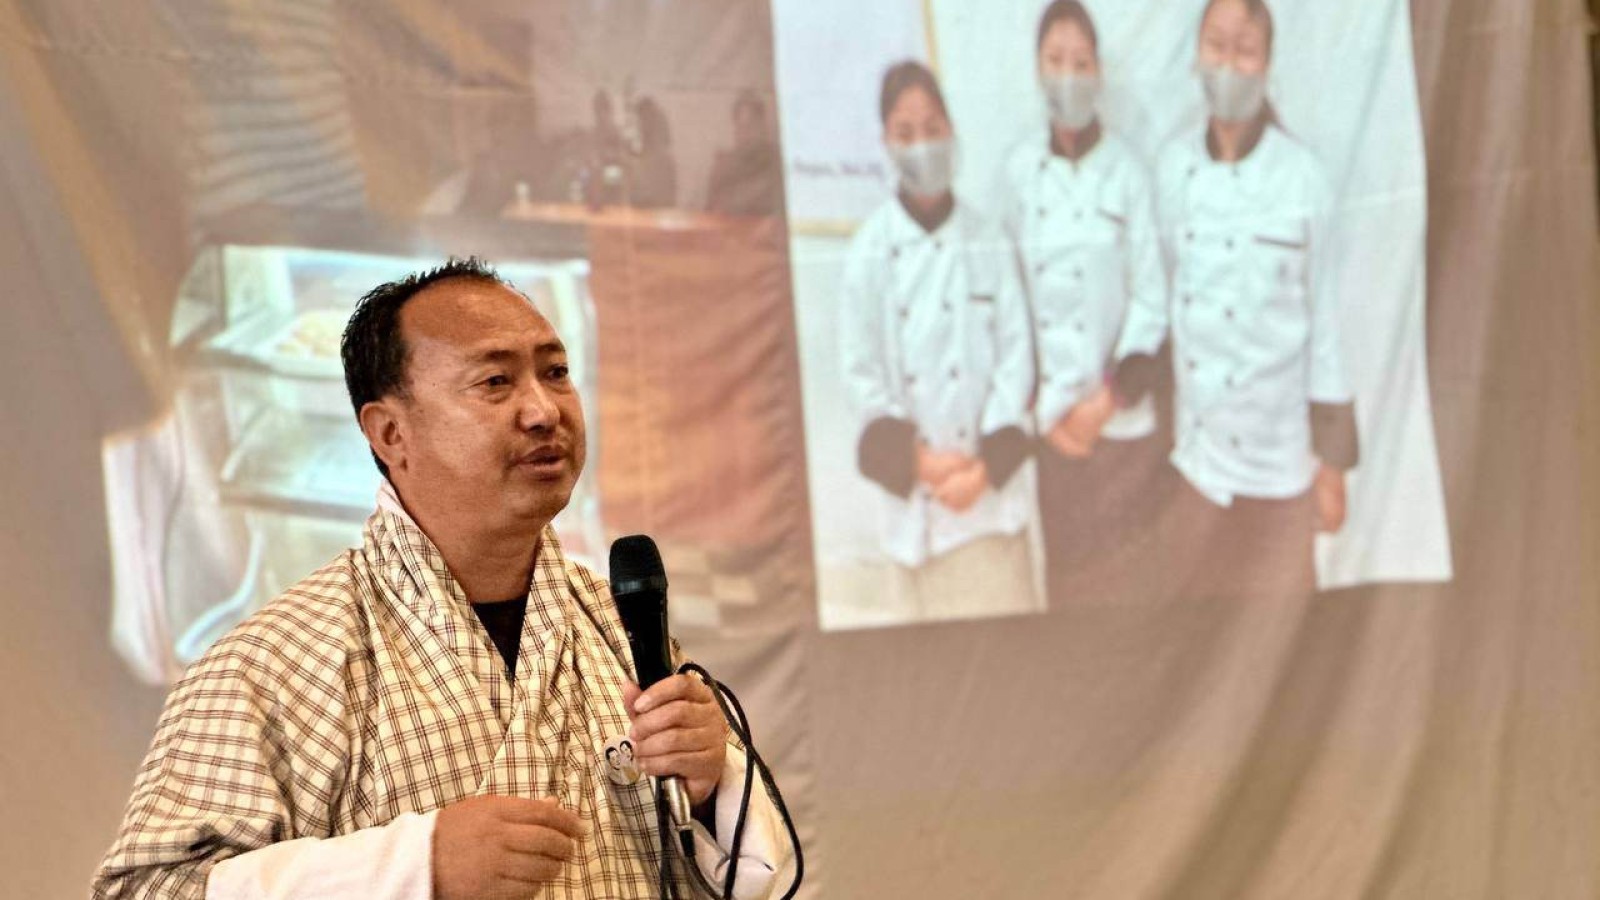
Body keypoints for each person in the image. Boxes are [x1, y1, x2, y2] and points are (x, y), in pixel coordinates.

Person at [92, 259, 789, 899]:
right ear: (390, 434)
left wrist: (711, 787)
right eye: (495, 382)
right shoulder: (274, 663)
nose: (544, 410)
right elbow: (146, 889)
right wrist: (414, 865)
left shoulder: (615, 626)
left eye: (555, 372)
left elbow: (742, 876)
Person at [1116, 0, 1359, 598]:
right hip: (1196, 468)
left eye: (1244, 50)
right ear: (1196, 57)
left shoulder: (1303, 177)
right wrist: (1121, 376)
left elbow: (1327, 327)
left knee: (1290, 633)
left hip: (1282, 470)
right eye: (1216, 46)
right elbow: (1155, 297)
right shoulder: (1172, 169)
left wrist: (1332, 466)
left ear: (1267, 65)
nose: (1228, 65)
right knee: (1197, 631)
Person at [838, 61, 1039, 623]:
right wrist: (922, 463)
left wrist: (982, 471)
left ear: (951, 129)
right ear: (885, 143)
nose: (922, 145)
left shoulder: (988, 240)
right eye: (905, 133)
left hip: (990, 513)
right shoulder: (868, 251)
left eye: (932, 127)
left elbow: (1017, 359)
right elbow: (861, 375)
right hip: (914, 521)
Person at [996, 0, 1174, 603]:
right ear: (1037, 70)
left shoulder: (1127, 172)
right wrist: (1045, 412)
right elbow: (1009, 300)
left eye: (1080, 62)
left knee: (1136, 594)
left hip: (1122, 426)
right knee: (1071, 595)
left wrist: (1105, 401)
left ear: (1098, 73)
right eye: (1055, 60)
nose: (1068, 76)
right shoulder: (1018, 173)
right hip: (1053, 432)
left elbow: (1152, 299)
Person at [705, 91, 784, 217]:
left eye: (751, 125)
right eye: (740, 127)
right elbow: (713, 210)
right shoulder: (723, 165)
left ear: (762, 127)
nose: (745, 133)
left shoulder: (777, 162)